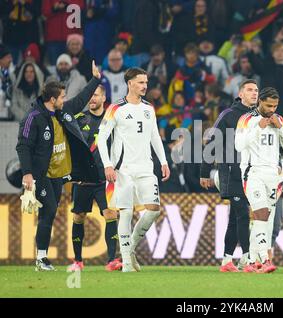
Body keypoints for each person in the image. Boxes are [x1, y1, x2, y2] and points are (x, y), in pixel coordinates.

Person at [16, 61, 102, 271]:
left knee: (50, 213)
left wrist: (95, 80)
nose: (65, 100)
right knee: (50, 209)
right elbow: (23, 146)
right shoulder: (32, 118)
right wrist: (27, 174)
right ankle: (41, 259)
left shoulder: (62, 112)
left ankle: (42, 258)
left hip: (59, 174)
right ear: (52, 99)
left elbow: (81, 99)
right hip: (41, 173)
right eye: (62, 97)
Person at [97, 68, 170, 272]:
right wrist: (108, 165)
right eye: (140, 82)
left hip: (146, 167)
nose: (145, 86)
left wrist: (163, 161)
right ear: (130, 83)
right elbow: (101, 138)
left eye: (146, 82)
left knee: (153, 210)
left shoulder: (149, 108)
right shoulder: (115, 108)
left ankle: (129, 250)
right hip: (123, 170)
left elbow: (155, 136)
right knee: (126, 213)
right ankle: (127, 264)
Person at [200, 79, 258, 272]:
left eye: (256, 90)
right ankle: (248, 259)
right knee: (242, 213)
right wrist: (204, 171)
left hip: (252, 174)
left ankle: (226, 261)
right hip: (232, 172)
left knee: (235, 218)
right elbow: (212, 143)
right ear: (240, 94)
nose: (254, 93)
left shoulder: (259, 117)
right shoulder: (228, 115)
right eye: (249, 90)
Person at [235, 87, 283, 273]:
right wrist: (258, 128)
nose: (272, 110)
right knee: (260, 213)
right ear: (260, 101)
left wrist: (281, 130)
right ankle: (265, 259)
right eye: (269, 105)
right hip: (252, 173)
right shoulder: (247, 120)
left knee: (264, 219)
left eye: (275, 106)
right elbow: (238, 145)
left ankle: (251, 261)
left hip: (272, 174)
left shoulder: (279, 120)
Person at [67, 84, 122, 272]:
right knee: (78, 217)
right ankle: (78, 261)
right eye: (90, 96)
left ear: (103, 98)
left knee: (110, 214)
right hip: (84, 178)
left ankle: (112, 260)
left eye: (96, 95)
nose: (92, 99)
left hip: (105, 179)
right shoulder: (78, 119)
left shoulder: (113, 120)